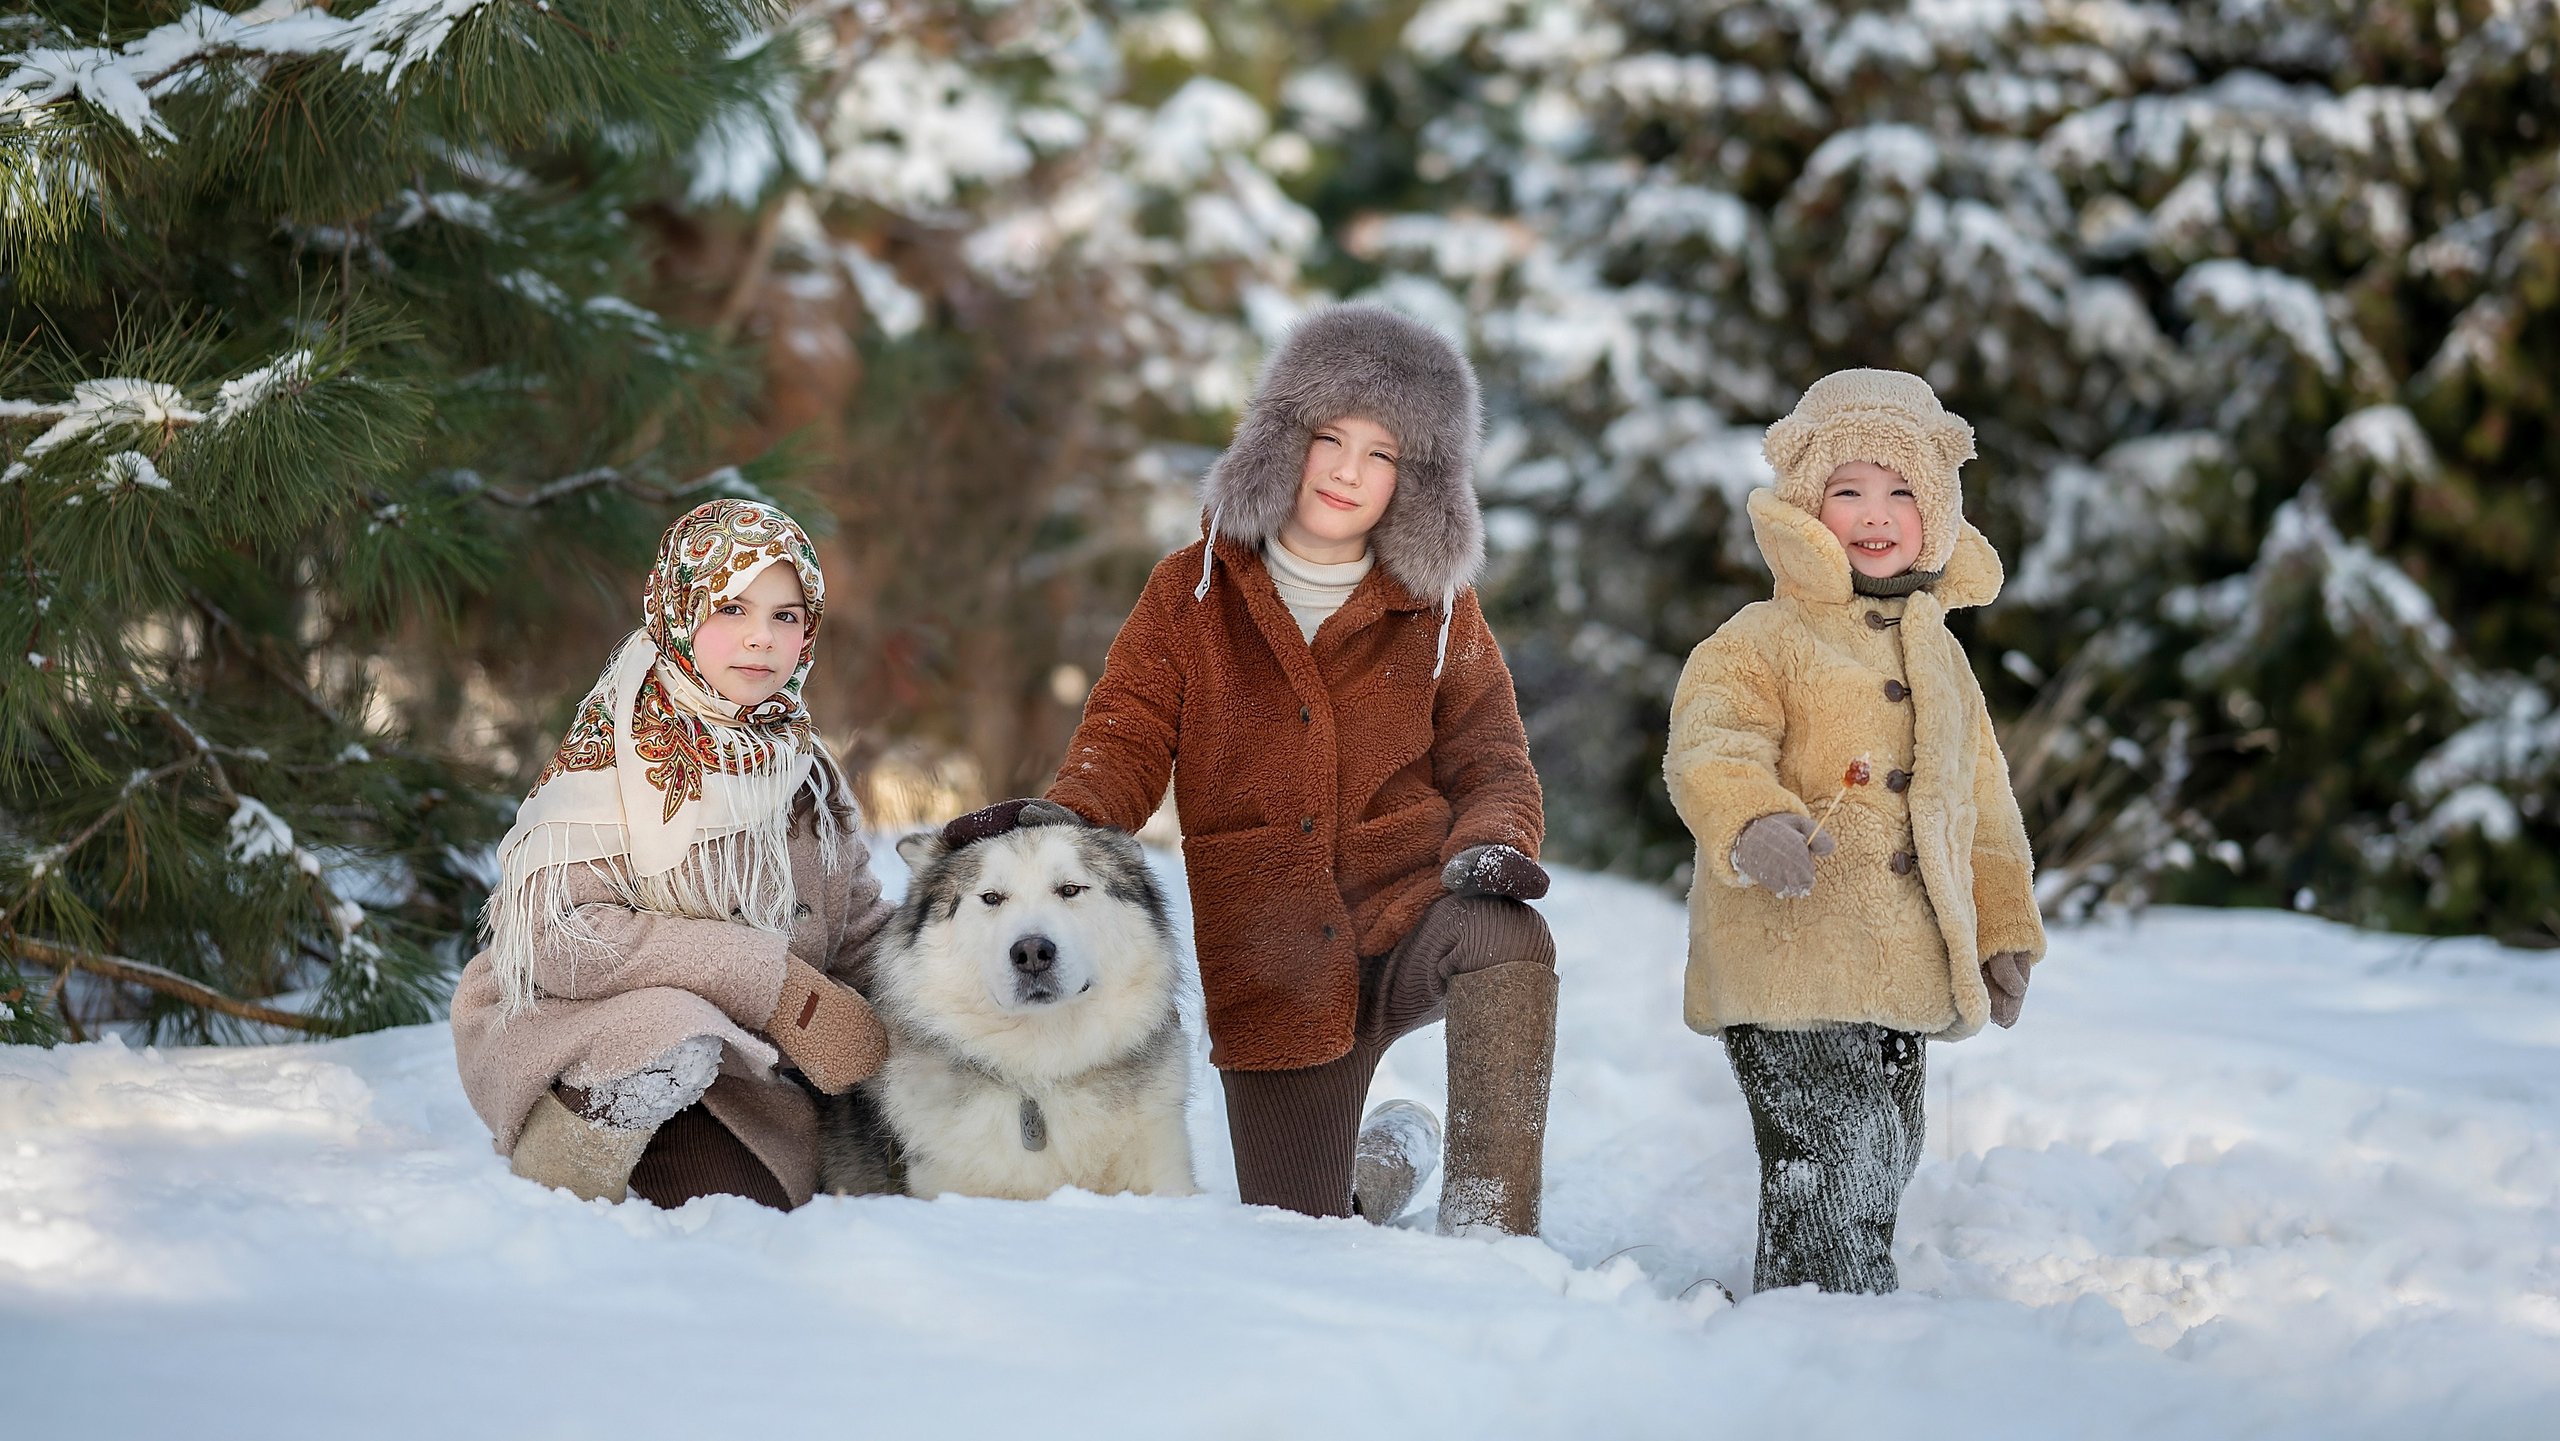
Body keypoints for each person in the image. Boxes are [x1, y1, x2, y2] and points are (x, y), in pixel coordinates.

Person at [942, 304, 1556, 1234]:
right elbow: (1127, 738)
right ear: (1282, 439)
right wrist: (1053, 823)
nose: (1350, 471)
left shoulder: (1440, 610)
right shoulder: (1188, 591)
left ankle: (1489, 1225)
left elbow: (1494, 762)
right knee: (1302, 1228)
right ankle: (1383, 1162)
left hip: (1412, 912)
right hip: (1274, 963)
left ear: (1419, 480)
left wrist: (1491, 847)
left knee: (1508, 938)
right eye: (1329, 436)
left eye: (1383, 453)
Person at [1665, 369, 2045, 1293]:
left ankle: (1810, 1299)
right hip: (1788, 953)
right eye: (1848, 491)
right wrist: (1754, 819)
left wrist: (2002, 931)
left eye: (1902, 491)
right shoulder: (1763, 637)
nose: (1876, 514)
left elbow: (1981, 805)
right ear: (1807, 506)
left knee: (1889, 1143)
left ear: (1940, 506)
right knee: (1841, 1140)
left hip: (1904, 964)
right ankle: (1831, 1320)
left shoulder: (1943, 657)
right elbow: (1710, 742)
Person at [451, 498, 892, 1210]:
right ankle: (566, 1149)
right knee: (671, 1032)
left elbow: (859, 932)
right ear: (680, 610)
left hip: (745, 1067)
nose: (761, 638)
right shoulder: (616, 755)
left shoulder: (804, 773)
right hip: (585, 1030)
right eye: (731, 608)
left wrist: (950, 965)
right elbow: (556, 936)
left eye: (785, 615)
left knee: (765, 1191)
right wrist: (769, 983)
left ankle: (681, 1159)